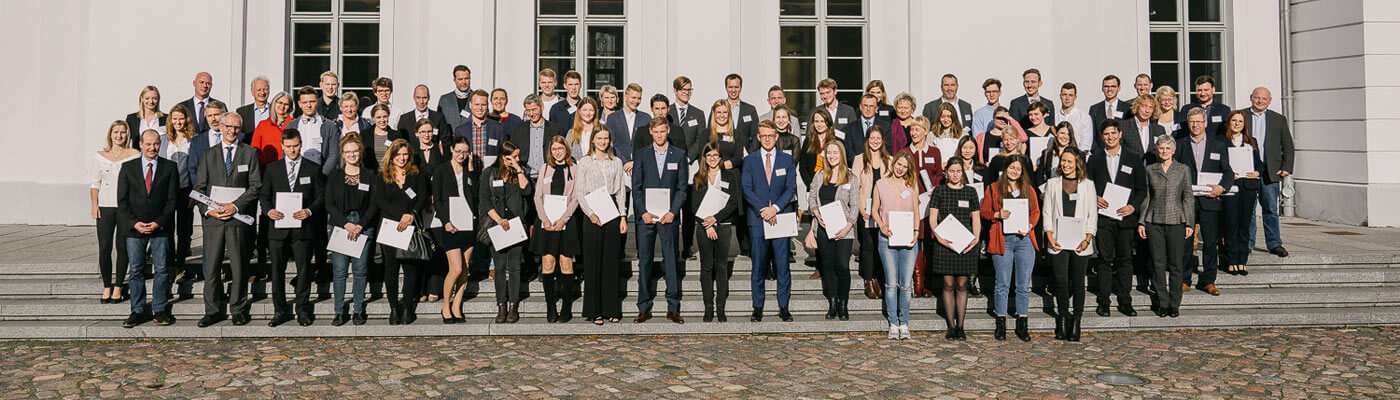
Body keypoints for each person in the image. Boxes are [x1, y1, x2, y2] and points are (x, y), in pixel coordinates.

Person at [194, 112, 262, 328]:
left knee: (239, 267)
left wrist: (235, 206)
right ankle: (212, 310)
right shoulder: (208, 154)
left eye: (236, 128)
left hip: (237, 219)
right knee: (212, 267)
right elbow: (199, 188)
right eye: (229, 127)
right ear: (221, 127)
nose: (232, 131)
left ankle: (238, 309)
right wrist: (208, 210)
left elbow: (255, 186)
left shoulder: (249, 153)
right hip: (214, 220)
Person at [258, 129, 323, 327]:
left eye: (295, 146)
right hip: (278, 228)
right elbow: (264, 196)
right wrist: (269, 211)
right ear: (282, 146)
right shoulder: (273, 168)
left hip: (303, 227)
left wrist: (310, 211)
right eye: (288, 147)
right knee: (277, 270)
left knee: (304, 270)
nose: (292, 150)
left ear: (300, 144)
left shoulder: (313, 168)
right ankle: (280, 310)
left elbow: (321, 196)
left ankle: (302, 309)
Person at [118, 130, 181, 328]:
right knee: (136, 270)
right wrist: (134, 222)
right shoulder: (128, 168)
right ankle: (137, 310)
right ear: (140, 144)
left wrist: (158, 222)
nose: (152, 148)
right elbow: (122, 201)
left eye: (155, 144)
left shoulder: (170, 167)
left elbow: (172, 201)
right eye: (148, 144)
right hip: (134, 228)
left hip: (160, 228)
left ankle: (160, 309)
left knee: (161, 270)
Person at [632, 117, 689, 324]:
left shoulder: (679, 155)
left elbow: (683, 189)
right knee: (645, 262)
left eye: (663, 132)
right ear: (650, 132)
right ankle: (643, 307)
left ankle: (673, 307)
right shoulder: (642, 154)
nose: (659, 135)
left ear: (667, 131)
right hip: (646, 217)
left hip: (668, 217)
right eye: (656, 132)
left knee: (671, 262)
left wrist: (673, 212)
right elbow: (636, 187)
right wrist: (642, 212)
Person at [1088, 121, 1147, 317]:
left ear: (1120, 134)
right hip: (1103, 219)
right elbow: (1087, 186)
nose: (1110, 137)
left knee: (1125, 259)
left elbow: (1141, 189)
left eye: (1113, 133)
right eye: (1106, 134)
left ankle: (1125, 301)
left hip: (1125, 218)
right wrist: (1094, 197)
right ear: (1102, 136)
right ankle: (1104, 302)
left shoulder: (1133, 158)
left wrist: (1133, 206)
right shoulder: (1094, 159)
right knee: (1104, 260)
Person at [743, 120, 799, 322]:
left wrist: (775, 208)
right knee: (758, 265)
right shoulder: (750, 160)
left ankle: (784, 306)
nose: (767, 139)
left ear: (777, 137)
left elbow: (791, 187)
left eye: (771, 136)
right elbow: (747, 188)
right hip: (758, 219)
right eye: (763, 136)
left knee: (783, 265)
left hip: (781, 217)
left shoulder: (786, 159)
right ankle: (758, 307)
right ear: (758, 137)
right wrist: (763, 210)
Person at [980, 156, 1039, 342]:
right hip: (1003, 239)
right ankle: (1001, 322)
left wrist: (1030, 225)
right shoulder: (994, 188)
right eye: (1012, 168)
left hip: (1024, 239)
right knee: (1002, 283)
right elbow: (984, 211)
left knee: (1022, 284)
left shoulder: (1028, 189)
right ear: (1005, 169)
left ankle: (1022, 322)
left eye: (1018, 169)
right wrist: (997, 214)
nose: (1015, 171)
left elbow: (1035, 211)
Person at [1177, 108, 1234, 297]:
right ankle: (1185, 279)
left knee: (1210, 242)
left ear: (1205, 123)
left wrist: (1222, 188)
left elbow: (1228, 172)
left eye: (1199, 122)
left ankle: (1208, 280)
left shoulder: (1218, 145)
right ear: (1188, 123)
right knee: (1185, 241)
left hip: (1210, 200)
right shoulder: (1180, 145)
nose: (1195, 125)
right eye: (1192, 122)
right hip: (1187, 201)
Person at [374, 140, 431, 325]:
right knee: (391, 270)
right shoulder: (383, 176)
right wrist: (401, 216)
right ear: (392, 155)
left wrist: (411, 216)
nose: (402, 158)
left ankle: (407, 307)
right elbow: (380, 201)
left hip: (410, 227)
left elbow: (422, 198)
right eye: (398, 154)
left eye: (405, 154)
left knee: (410, 269)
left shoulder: (417, 175)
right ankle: (393, 308)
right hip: (390, 228)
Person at [1138, 135, 1195, 318]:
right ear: (1157, 150)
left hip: (1176, 220)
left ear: (1173, 150)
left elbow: (1187, 197)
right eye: (1161, 148)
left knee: (1176, 264)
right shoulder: (1150, 169)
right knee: (1158, 263)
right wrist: (1141, 221)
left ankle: (1174, 303)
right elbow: (1146, 197)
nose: (1164, 151)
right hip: (1154, 220)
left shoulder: (1183, 169)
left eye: (1167, 148)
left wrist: (1189, 222)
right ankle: (1162, 302)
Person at [1042, 147, 1095, 342]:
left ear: (1077, 163)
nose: (1065, 164)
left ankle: (1077, 322)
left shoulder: (1088, 185)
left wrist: (1087, 238)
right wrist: (1049, 236)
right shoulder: (1053, 184)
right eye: (1063, 160)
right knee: (1061, 282)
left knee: (1078, 283)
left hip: (1081, 242)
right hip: (1058, 241)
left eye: (1069, 161)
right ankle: (1064, 320)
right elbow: (1047, 212)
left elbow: (1092, 215)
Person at [576, 127, 629, 325]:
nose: (603, 141)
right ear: (593, 140)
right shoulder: (585, 162)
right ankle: (594, 311)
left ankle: (611, 309)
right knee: (593, 263)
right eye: (599, 138)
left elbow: (621, 192)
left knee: (610, 263)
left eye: (606, 138)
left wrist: (623, 216)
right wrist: (590, 213)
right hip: (592, 213)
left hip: (612, 212)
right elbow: (580, 191)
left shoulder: (616, 162)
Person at [324, 134, 378, 326]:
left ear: (360, 152)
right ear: (342, 154)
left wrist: (360, 225)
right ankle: (339, 311)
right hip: (341, 225)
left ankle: (357, 310)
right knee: (339, 271)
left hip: (363, 226)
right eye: (348, 152)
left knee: (360, 270)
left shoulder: (369, 175)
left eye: (355, 151)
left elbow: (374, 204)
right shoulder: (335, 176)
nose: (352, 154)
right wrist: (346, 224)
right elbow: (329, 204)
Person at [804, 140, 859, 320]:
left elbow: (855, 206)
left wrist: (848, 226)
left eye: (835, 153)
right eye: (829, 153)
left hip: (844, 229)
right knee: (827, 266)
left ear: (841, 154)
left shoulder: (851, 177)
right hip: (823, 227)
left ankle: (843, 304)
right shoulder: (819, 175)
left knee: (842, 266)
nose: (832, 156)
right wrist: (815, 212)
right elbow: (812, 197)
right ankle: (833, 303)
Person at [927, 159, 981, 340]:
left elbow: (976, 219)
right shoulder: (940, 191)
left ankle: (961, 326)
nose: (955, 174)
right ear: (946, 172)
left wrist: (976, 238)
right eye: (952, 171)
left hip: (966, 243)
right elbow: (933, 219)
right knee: (948, 284)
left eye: (958, 171)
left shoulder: (970, 191)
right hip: (946, 243)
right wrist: (940, 238)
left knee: (962, 284)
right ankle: (951, 326)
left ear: (962, 172)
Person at [431, 136, 481, 324]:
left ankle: (457, 305)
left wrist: (471, 172)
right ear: (451, 149)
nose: (461, 155)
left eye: (465, 152)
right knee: (456, 268)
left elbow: (475, 196)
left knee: (465, 268)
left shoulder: (470, 171)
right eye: (458, 151)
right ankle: (446, 305)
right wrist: (446, 221)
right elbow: (438, 199)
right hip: (451, 223)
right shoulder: (442, 170)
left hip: (468, 222)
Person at [531, 137, 581, 323]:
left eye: (560, 148)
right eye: (554, 149)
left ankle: (566, 307)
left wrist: (563, 219)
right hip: (547, 223)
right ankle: (550, 306)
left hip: (566, 222)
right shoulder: (545, 168)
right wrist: (545, 219)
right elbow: (538, 197)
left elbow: (576, 197)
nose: (557, 152)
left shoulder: (574, 169)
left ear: (566, 150)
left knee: (566, 262)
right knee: (548, 263)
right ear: (550, 151)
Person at [482, 141, 532, 323]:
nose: (518, 158)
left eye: (518, 156)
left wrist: (518, 168)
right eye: (514, 156)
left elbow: (527, 191)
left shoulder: (518, 172)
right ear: (504, 157)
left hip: (516, 226)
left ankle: (513, 306)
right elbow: (485, 201)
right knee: (500, 267)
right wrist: (498, 220)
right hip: (498, 225)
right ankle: (501, 306)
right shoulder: (489, 173)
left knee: (515, 267)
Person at [691, 142, 741, 322]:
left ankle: (720, 306)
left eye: (716, 156)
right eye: (709, 156)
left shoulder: (729, 176)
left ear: (721, 158)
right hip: (704, 227)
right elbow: (694, 206)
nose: (712, 159)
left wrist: (716, 219)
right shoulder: (698, 177)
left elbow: (733, 202)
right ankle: (708, 307)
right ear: (704, 158)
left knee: (721, 266)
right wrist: (708, 225)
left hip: (724, 226)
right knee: (706, 267)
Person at [872, 150, 919, 340]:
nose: (900, 169)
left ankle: (904, 323)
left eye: (904, 166)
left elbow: (916, 210)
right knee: (891, 284)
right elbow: (874, 209)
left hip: (908, 239)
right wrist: (881, 225)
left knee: (906, 285)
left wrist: (916, 232)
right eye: (898, 164)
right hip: (887, 237)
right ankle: (893, 323)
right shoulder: (880, 184)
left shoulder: (912, 185)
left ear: (909, 169)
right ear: (894, 164)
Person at [92, 122, 139, 304]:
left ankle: (118, 286)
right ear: (110, 134)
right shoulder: (100, 156)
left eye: (123, 132)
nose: (119, 136)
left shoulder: (134, 155)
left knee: (122, 246)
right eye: (116, 132)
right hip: (105, 206)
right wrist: (94, 204)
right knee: (104, 247)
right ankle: (106, 285)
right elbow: (95, 183)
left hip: (125, 207)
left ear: (127, 135)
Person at [1247, 87, 1294, 258]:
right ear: (1251, 98)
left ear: (1270, 100)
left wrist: (1287, 167)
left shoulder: (1278, 119)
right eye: (1257, 97)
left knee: (1270, 209)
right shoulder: (1241, 116)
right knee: (1248, 210)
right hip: (1248, 171)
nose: (1260, 101)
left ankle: (1274, 243)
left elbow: (1287, 145)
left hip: (1270, 171)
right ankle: (1248, 243)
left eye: (1264, 98)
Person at [904, 116, 945, 298]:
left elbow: (938, 174)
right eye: (912, 129)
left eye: (917, 129)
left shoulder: (935, 152)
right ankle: (917, 281)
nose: (914, 133)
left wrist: (935, 188)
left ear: (926, 131)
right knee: (914, 241)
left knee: (928, 240)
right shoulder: (905, 151)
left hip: (931, 203)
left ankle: (928, 282)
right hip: (912, 203)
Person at [851, 126, 891, 300]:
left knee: (880, 244)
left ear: (882, 140)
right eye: (872, 138)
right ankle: (868, 280)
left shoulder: (889, 159)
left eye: (878, 138)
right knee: (867, 245)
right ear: (867, 140)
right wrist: (861, 209)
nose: (875, 141)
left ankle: (878, 279)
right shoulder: (859, 159)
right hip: (865, 209)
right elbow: (855, 186)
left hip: (883, 210)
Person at [1221, 111, 1262, 276]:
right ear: (1229, 122)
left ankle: (1242, 260)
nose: (1237, 124)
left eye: (1240, 121)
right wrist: (1229, 173)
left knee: (1245, 224)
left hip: (1248, 187)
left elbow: (1259, 164)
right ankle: (1231, 260)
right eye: (1234, 120)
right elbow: (1219, 164)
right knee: (1231, 223)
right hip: (1231, 187)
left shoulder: (1251, 142)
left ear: (1244, 124)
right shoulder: (1222, 142)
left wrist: (1257, 172)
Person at [161, 105, 198, 283]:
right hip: (167, 192)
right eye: (174, 119)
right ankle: (168, 267)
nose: (178, 122)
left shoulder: (193, 140)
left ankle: (180, 264)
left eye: (181, 118)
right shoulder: (164, 140)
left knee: (184, 230)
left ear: (187, 119)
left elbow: (198, 168)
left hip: (186, 190)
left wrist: (195, 193)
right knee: (167, 229)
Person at [285, 86, 343, 177]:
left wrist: (321, 175)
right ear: (299, 104)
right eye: (304, 102)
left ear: (318, 102)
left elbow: (334, 155)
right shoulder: (291, 126)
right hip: (296, 175)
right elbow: (286, 152)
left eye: (312, 101)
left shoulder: (329, 126)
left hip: (321, 175)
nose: (308, 105)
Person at [510, 94, 564, 178]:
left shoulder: (556, 129)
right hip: (525, 177)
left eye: (534, 109)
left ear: (542, 107)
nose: (531, 114)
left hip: (549, 176)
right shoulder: (518, 130)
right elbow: (512, 153)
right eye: (528, 110)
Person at [691, 99, 746, 171]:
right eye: (718, 112)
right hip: (710, 175)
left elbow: (738, 159)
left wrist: (717, 165)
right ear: (713, 113)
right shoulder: (705, 134)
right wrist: (722, 166)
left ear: (729, 114)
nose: (722, 115)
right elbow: (702, 158)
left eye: (725, 112)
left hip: (732, 175)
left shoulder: (737, 134)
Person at [453, 89, 507, 160]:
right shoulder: (460, 131)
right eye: (477, 104)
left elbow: (504, 154)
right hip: (468, 170)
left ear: (487, 106)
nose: (480, 108)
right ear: (470, 105)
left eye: (483, 105)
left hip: (491, 170)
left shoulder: (498, 128)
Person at [604, 83, 649, 165]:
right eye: (633, 98)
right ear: (625, 97)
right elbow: (612, 143)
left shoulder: (646, 118)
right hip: (618, 164)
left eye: (639, 98)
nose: (636, 101)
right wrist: (624, 162)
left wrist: (635, 162)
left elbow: (647, 145)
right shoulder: (612, 118)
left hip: (640, 165)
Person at [250, 92, 295, 166]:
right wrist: (262, 161)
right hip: (267, 168)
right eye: (280, 102)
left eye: (286, 104)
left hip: (289, 167)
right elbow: (254, 148)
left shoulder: (294, 124)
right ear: (274, 103)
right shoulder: (263, 125)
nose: (282, 106)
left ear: (290, 107)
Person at [1120, 95, 1168, 162]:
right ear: (1137, 106)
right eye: (1144, 106)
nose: (1147, 110)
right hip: (1130, 169)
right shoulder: (1123, 126)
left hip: (1152, 170)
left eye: (1151, 107)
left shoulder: (1159, 130)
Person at [364, 104, 406, 172]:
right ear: (373, 118)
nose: (382, 120)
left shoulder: (396, 135)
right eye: (378, 117)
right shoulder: (365, 135)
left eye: (385, 116)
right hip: (371, 177)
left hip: (391, 175)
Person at [1090, 75, 1132, 142]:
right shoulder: (1094, 109)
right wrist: (1097, 151)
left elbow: (1130, 133)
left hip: (1123, 150)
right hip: (1101, 151)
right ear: (1102, 89)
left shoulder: (1128, 108)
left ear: (1119, 88)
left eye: (1113, 86)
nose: (1109, 89)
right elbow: (1092, 135)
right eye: (1106, 86)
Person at [1056, 83, 1095, 153]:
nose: (1067, 98)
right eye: (1064, 94)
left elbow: (1085, 146)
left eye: (1070, 95)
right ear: (1060, 96)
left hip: (1077, 159)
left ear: (1075, 97)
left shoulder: (1084, 117)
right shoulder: (1055, 117)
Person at [724, 74, 761, 146]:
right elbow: (711, 133)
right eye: (730, 87)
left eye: (736, 87)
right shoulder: (718, 109)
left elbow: (756, 135)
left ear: (741, 88)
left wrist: (750, 154)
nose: (733, 90)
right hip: (724, 154)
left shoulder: (750, 110)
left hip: (745, 155)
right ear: (726, 88)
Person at [437, 65, 474, 131]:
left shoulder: (477, 98)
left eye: (466, 78)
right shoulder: (444, 100)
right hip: (450, 140)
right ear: (454, 80)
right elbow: (439, 124)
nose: (464, 82)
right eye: (460, 79)